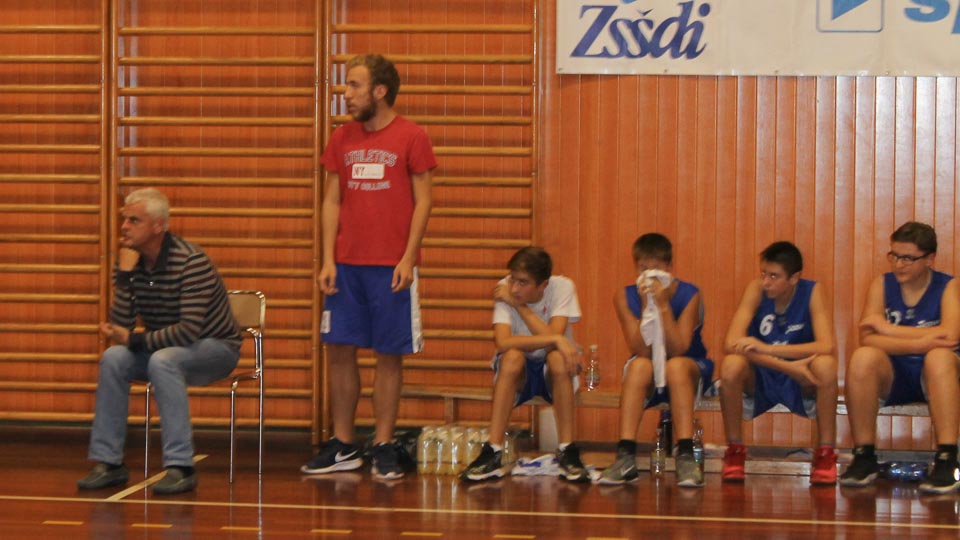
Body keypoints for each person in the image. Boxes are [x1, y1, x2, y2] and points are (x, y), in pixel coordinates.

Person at [301, 53, 436, 480]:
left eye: (355, 85)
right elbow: (331, 200)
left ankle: (383, 443)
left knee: (388, 356)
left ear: (380, 91)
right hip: (346, 266)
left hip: (389, 266)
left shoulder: (412, 136)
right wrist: (327, 258)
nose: (347, 93)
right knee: (339, 351)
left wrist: (408, 257)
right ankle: (343, 443)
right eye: (347, 85)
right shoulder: (341, 138)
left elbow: (424, 201)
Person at [77, 188, 241, 495]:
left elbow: (188, 331)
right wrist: (124, 277)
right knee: (114, 357)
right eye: (124, 219)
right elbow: (123, 325)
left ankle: (181, 466)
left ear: (158, 226)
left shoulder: (191, 261)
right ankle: (109, 462)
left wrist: (133, 339)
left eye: (134, 220)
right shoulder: (130, 260)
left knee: (163, 360)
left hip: (215, 348)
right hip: (161, 348)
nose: (124, 227)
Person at [840, 222, 960, 494]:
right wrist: (922, 341)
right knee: (863, 358)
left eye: (908, 258)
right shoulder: (882, 285)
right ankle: (864, 456)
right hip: (895, 373)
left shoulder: (948, 286)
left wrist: (888, 329)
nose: (899, 264)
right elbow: (868, 338)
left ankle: (946, 458)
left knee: (939, 357)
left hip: (938, 376)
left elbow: (951, 335)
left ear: (929, 259)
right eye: (894, 256)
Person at [460, 247, 590, 483]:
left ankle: (567, 449)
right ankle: (493, 449)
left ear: (543, 285)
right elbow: (503, 342)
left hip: (552, 371)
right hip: (520, 373)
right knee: (512, 357)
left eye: (523, 282)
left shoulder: (562, 287)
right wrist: (555, 338)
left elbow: (552, 341)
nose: (514, 289)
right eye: (513, 279)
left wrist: (521, 308)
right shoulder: (504, 288)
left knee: (558, 359)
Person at [598, 233, 713, 487]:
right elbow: (640, 349)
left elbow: (678, 347)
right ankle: (626, 456)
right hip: (649, 365)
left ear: (669, 268)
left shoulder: (689, 294)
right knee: (639, 366)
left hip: (688, 365)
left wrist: (662, 306)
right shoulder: (625, 295)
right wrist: (645, 306)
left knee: (675, 366)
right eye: (643, 269)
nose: (649, 276)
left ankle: (685, 455)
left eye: (656, 269)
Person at [719, 241, 838, 484]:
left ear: (794, 278)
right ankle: (735, 449)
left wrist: (768, 349)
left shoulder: (812, 291)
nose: (766, 282)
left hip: (801, 377)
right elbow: (731, 342)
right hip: (764, 374)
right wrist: (786, 366)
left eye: (774, 276)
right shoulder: (755, 289)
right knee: (731, 365)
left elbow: (827, 345)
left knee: (826, 366)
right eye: (763, 273)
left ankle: (825, 452)